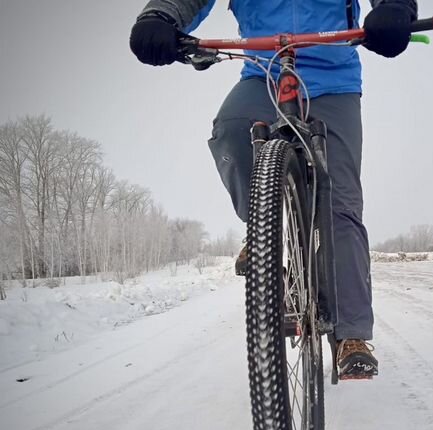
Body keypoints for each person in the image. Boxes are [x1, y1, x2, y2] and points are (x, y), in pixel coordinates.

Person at [130, 0, 417, 379]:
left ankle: (352, 336)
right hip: (263, 73)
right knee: (233, 130)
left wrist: (395, 8)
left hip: (334, 81)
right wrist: (161, 17)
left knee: (340, 206)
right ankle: (262, 229)